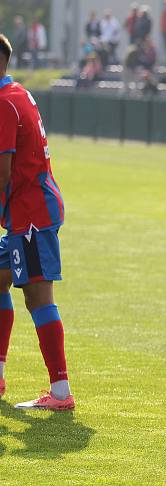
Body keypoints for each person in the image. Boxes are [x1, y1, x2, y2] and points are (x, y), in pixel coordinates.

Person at [0, 34, 74, 410]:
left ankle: (60, 392)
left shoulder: (4, 103)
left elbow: (3, 171)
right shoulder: (18, 94)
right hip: (26, 210)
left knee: (37, 297)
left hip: (30, 215)